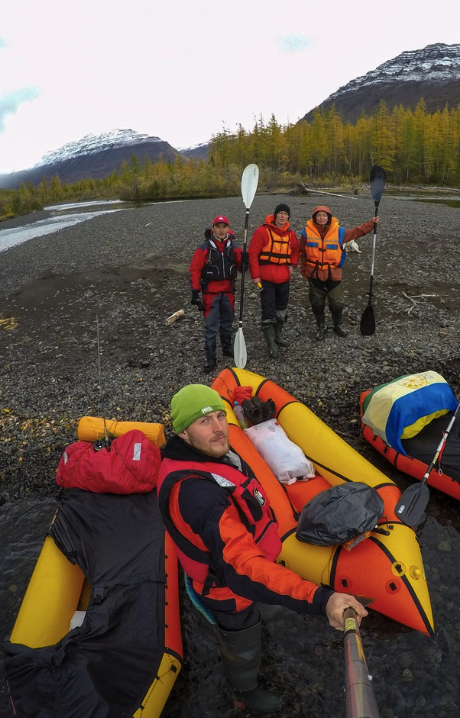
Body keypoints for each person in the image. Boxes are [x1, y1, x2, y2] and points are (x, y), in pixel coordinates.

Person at [157, 384, 368, 713]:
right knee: (240, 635)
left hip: (247, 564)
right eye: (204, 422)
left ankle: (255, 631)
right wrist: (321, 599)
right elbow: (242, 567)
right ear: (183, 434)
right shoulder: (198, 497)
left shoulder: (213, 454)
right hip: (229, 589)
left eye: (219, 416)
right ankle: (243, 690)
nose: (217, 428)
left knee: (258, 611)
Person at [299, 205, 378, 340]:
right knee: (317, 303)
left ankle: (337, 325)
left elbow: (358, 231)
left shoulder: (340, 232)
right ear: (314, 217)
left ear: (329, 217)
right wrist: (304, 271)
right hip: (314, 273)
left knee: (337, 303)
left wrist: (371, 223)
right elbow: (303, 253)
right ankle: (321, 328)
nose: (321, 217)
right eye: (319, 215)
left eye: (324, 215)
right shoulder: (306, 233)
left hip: (333, 273)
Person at [190, 216, 245, 372]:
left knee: (227, 322)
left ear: (228, 228)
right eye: (218, 226)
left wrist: (245, 261)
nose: (221, 230)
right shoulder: (204, 248)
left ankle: (227, 348)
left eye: (224, 226)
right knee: (211, 327)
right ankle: (211, 359)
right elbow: (195, 270)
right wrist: (195, 291)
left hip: (228, 291)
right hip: (211, 293)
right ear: (212, 228)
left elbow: (242, 268)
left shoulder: (234, 247)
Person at [247, 203, 300, 358]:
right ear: (275, 215)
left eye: (285, 214)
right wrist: (255, 275)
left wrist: (293, 265)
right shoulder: (262, 232)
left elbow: (296, 251)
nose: (283, 216)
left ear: (288, 217)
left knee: (281, 308)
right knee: (268, 310)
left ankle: (278, 336)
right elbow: (253, 254)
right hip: (266, 278)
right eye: (280, 213)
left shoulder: (290, 235)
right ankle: (270, 344)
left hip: (284, 277)